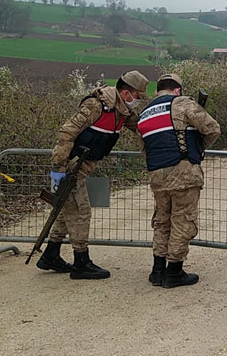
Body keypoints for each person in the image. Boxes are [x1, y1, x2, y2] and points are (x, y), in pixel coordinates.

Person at [38, 70, 149, 280]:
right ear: (127, 93)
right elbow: (67, 133)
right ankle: (81, 262)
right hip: (71, 168)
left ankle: (50, 255)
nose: (138, 102)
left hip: (82, 169)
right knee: (80, 212)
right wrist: (58, 168)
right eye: (138, 97)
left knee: (65, 211)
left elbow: (141, 127)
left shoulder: (121, 112)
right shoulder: (96, 106)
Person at [137, 73, 220, 288]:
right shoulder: (182, 103)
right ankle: (174, 272)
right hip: (183, 172)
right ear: (177, 90)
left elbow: (145, 148)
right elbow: (212, 128)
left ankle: (157, 271)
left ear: (158, 90)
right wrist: (198, 147)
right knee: (183, 221)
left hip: (157, 174)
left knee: (162, 221)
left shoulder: (144, 113)